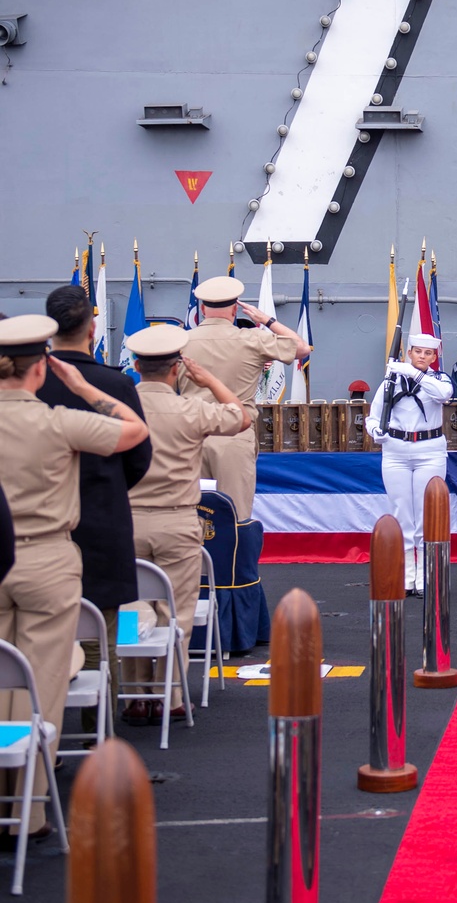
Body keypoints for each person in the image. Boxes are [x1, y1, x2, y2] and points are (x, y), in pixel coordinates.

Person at [0, 315, 148, 834]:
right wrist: (84, 387)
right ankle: (29, 812)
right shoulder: (58, 420)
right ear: (40, 368)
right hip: (47, 560)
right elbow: (134, 431)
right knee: (40, 684)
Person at [36, 283, 152, 727]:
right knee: (99, 635)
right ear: (93, 327)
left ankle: (40, 734)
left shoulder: (30, 384)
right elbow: (139, 455)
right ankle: (96, 728)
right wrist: (106, 489)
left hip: (40, 528)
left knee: (37, 636)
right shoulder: (114, 383)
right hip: (102, 521)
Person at [124, 324, 249, 721]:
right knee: (175, 612)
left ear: (135, 365)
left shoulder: (119, 408)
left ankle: (134, 696)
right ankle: (172, 695)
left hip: (127, 523)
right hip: (177, 522)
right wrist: (209, 379)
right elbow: (240, 417)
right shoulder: (191, 408)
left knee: (131, 608)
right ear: (176, 369)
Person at [182, 275, 307, 520]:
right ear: (233, 309)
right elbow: (301, 348)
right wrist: (266, 320)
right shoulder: (252, 339)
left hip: (189, 437)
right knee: (235, 517)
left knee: (188, 517)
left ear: (203, 309)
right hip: (233, 436)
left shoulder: (182, 341)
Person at [366, 331, 453, 594]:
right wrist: (375, 432)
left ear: (434, 357)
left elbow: (445, 394)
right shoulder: (390, 381)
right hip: (396, 451)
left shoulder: (438, 379)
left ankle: (427, 574)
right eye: (418, 352)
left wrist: (413, 374)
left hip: (429, 450)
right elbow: (374, 416)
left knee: (426, 513)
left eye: (428, 353)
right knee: (401, 511)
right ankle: (406, 573)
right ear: (409, 353)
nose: (422, 357)